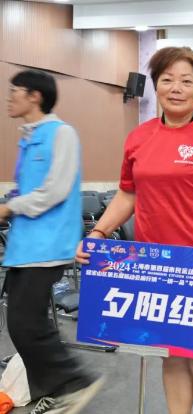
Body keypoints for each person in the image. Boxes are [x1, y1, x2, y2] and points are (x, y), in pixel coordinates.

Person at [75, 47, 193, 414]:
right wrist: (100, 232)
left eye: (187, 81)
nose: (176, 88)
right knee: (170, 352)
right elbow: (128, 193)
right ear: (156, 86)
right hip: (154, 261)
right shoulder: (139, 137)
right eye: (167, 80)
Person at [0, 69, 103, 414]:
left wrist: (9, 207)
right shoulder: (29, 138)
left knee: (27, 324)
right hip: (24, 247)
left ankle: (75, 383)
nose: (9, 98)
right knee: (22, 325)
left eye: (15, 91)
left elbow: (55, 190)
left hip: (48, 246)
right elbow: (28, 190)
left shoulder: (62, 134)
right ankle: (55, 389)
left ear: (35, 96)